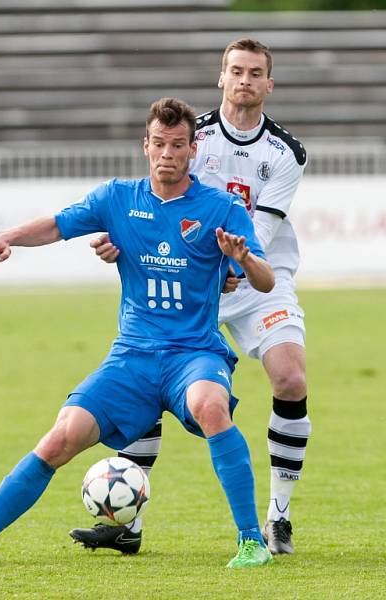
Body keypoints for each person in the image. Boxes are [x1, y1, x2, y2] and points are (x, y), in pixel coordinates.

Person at [0, 97, 276, 570]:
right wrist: (5, 237)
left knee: (211, 406)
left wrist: (245, 257)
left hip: (194, 352)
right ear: (145, 146)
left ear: (193, 149)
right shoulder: (117, 198)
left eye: (178, 145)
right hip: (132, 357)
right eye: (159, 144)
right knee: (59, 438)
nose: (167, 154)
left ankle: (250, 541)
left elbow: (265, 280)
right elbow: (56, 226)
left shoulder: (221, 208)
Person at [71, 38, 310, 557]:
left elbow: (259, 233)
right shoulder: (189, 134)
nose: (244, 80)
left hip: (253, 275)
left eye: (255, 73)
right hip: (189, 276)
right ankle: (125, 524)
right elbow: (153, 206)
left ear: (269, 84)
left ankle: (279, 517)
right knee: (146, 369)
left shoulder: (286, 154)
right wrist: (122, 243)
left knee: (290, 377)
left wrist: (232, 265)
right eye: (235, 71)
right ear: (221, 78)